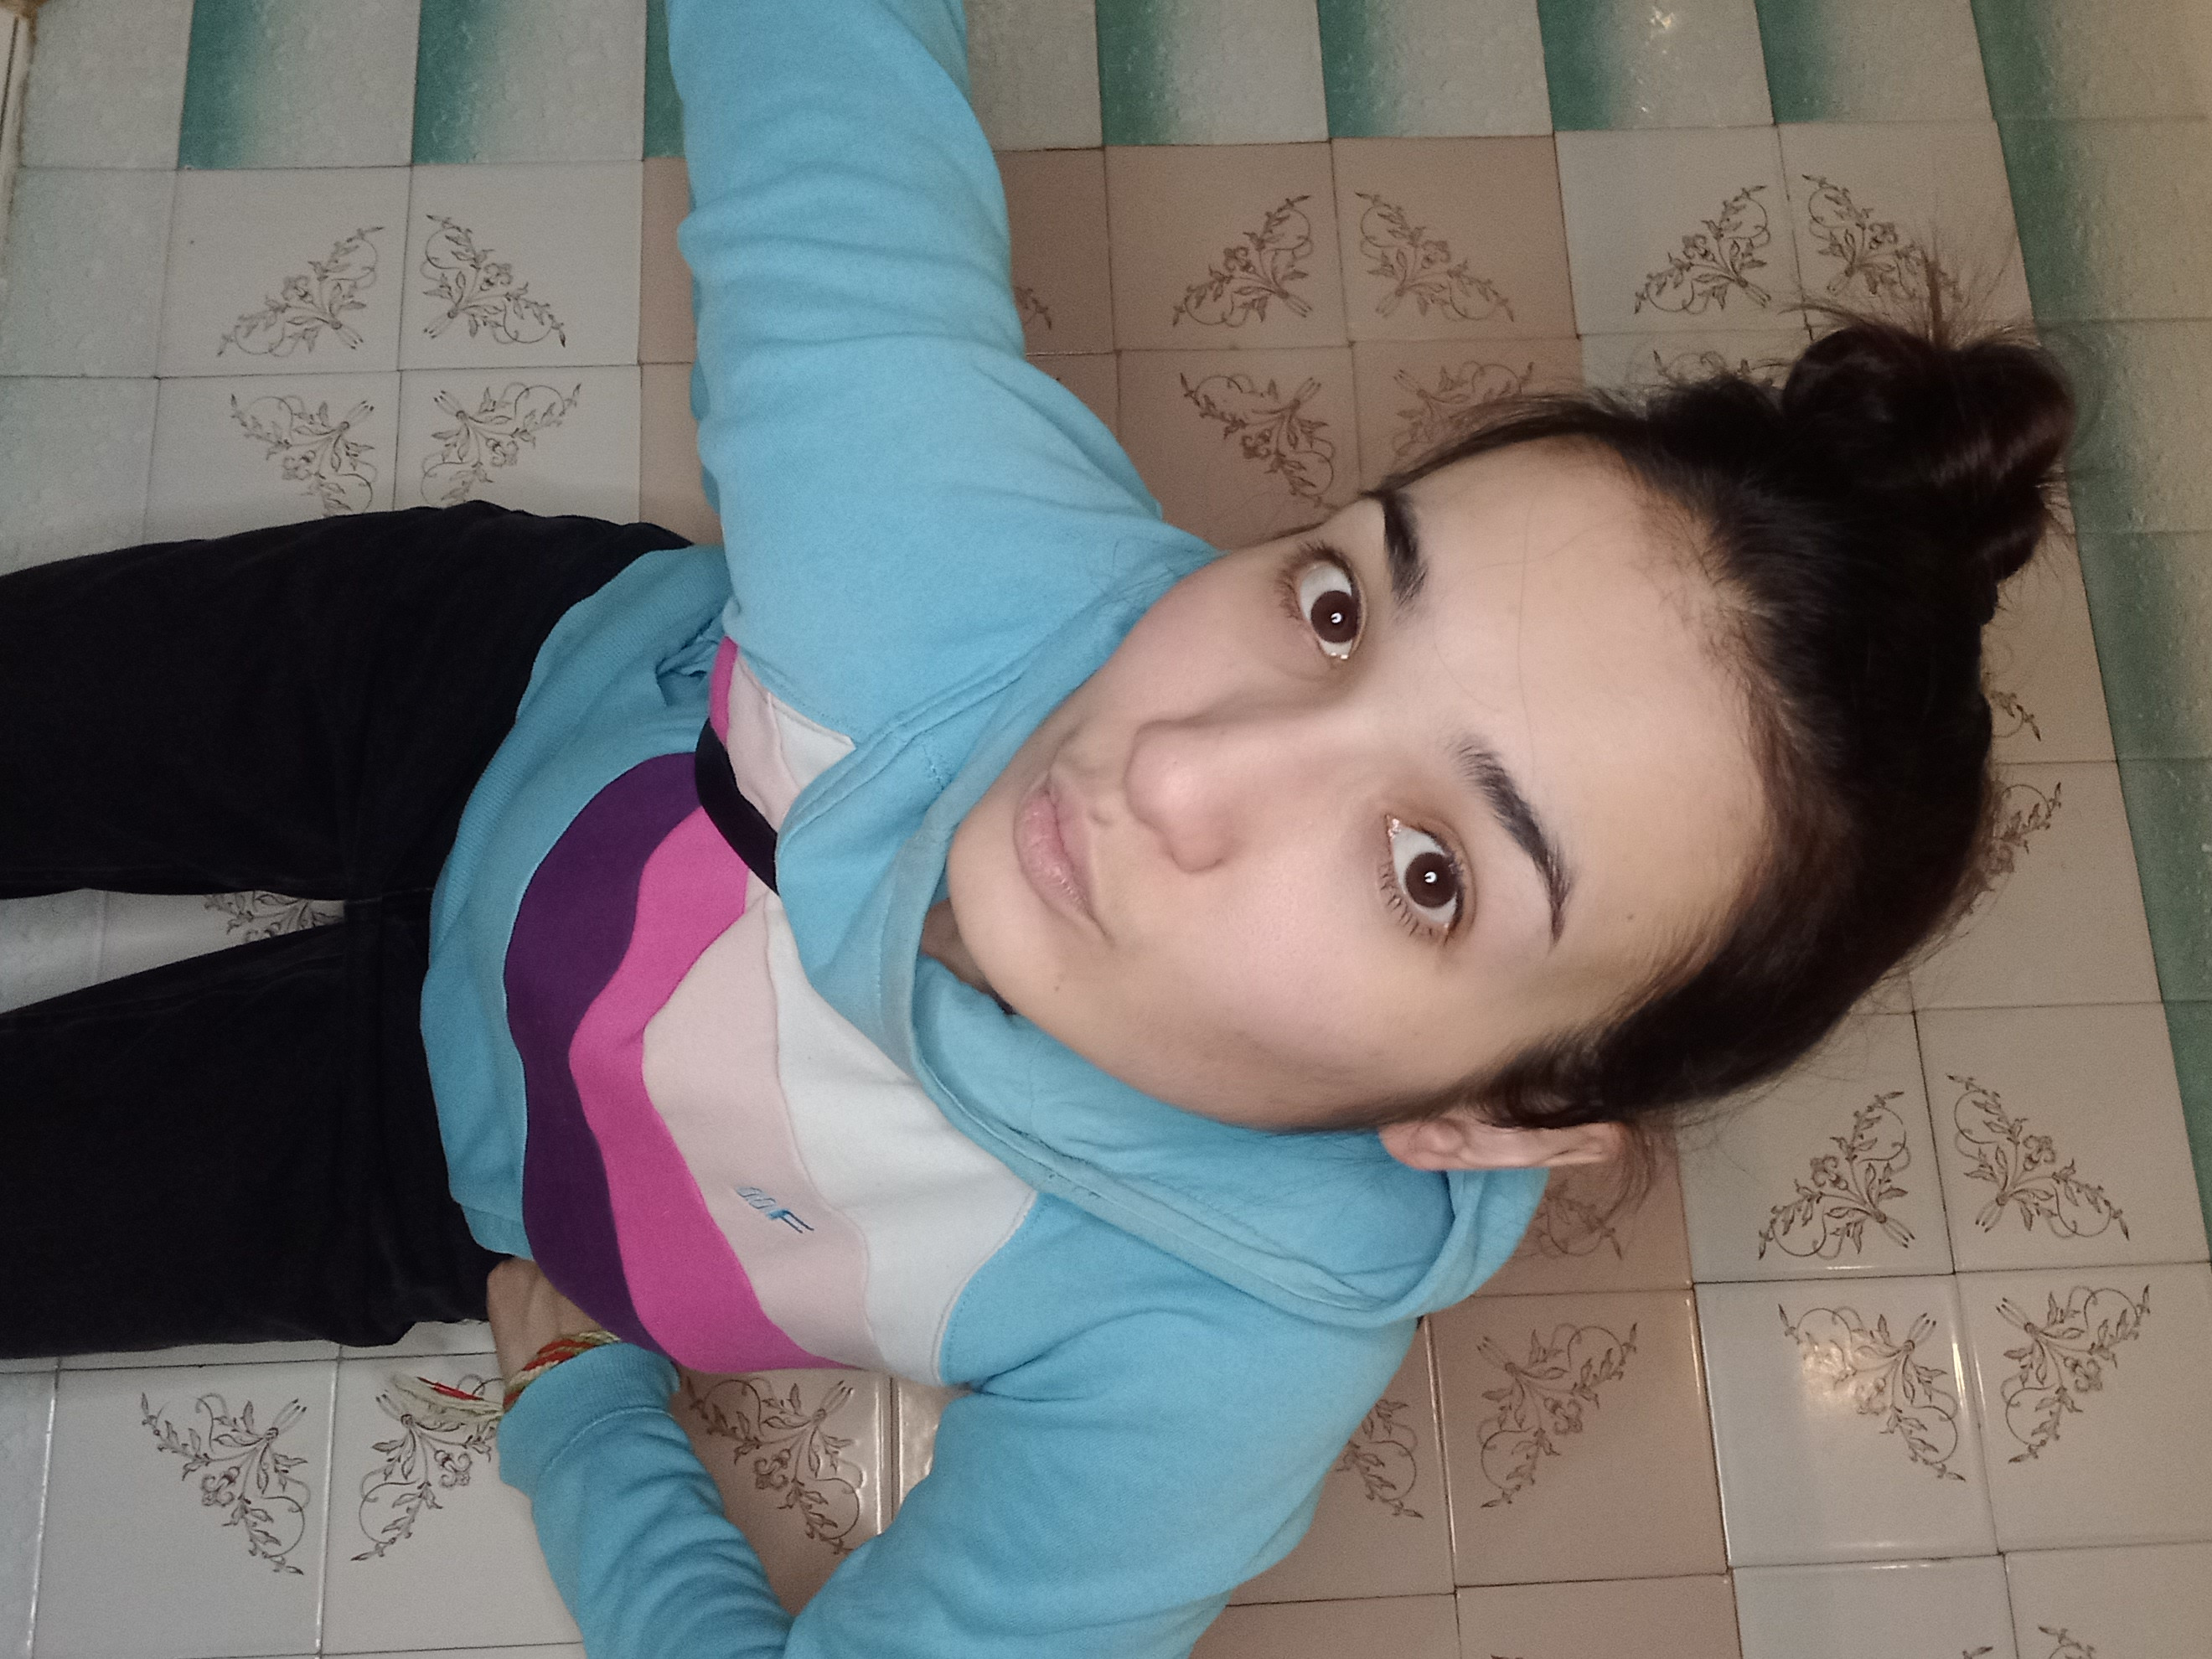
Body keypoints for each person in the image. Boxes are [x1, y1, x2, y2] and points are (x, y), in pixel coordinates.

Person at [0, 0, 2073, 1653]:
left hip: (450, 1170)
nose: (1175, 766)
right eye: (1340, 605)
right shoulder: (937, 549)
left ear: (1502, 1116)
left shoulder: (1212, 1363)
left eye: (1431, 870)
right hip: (465, 679)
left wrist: (584, 1430)